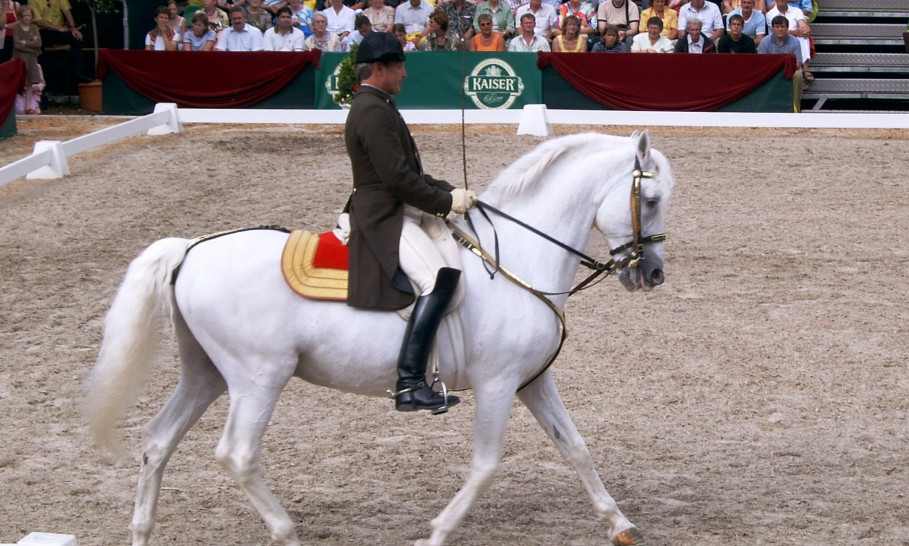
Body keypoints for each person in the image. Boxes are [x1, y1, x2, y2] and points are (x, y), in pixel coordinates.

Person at [344, 31, 475, 412]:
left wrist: (452, 191)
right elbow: (397, 180)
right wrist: (444, 203)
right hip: (384, 214)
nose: (405, 73)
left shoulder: (379, 104)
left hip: (395, 204)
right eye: (399, 66)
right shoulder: (371, 111)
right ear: (380, 68)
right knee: (437, 280)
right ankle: (410, 382)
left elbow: (411, 172)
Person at [30, 0, 92, 83]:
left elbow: (67, 11)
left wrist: (73, 28)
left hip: (57, 32)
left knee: (76, 38)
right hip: (41, 31)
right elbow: (38, 21)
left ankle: (76, 71)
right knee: (37, 45)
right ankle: (38, 81)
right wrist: (58, 28)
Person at [759, 14, 804, 104]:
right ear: (772, 28)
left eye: (782, 26)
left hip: (790, 70)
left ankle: (795, 106)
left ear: (787, 28)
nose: (780, 29)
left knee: (798, 75)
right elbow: (761, 62)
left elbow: (798, 63)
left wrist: (785, 71)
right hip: (770, 71)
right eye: (777, 26)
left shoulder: (795, 41)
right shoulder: (765, 41)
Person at [765, 0, 812, 80]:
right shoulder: (770, 14)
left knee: (804, 37)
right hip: (777, 40)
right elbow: (778, 31)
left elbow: (803, 26)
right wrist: (796, 32)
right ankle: (800, 74)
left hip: (795, 38)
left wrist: (806, 30)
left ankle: (805, 67)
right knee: (798, 36)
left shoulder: (796, 10)